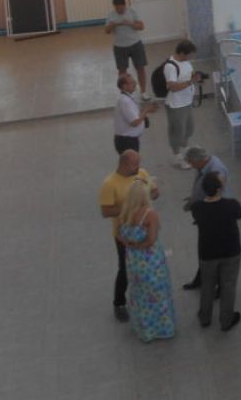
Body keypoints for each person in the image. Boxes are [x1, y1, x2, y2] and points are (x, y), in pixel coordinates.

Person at [98, 149, 159, 322]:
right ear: (124, 164)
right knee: (125, 268)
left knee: (147, 268)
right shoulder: (110, 184)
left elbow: (155, 192)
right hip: (124, 235)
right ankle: (119, 303)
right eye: (135, 164)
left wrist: (144, 199)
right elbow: (106, 211)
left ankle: (146, 300)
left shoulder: (142, 173)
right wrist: (130, 206)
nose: (138, 167)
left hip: (145, 229)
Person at [116, 178, 177, 342]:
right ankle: (162, 329)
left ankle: (145, 330)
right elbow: (150, 240)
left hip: (133, 261)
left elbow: (118, 235)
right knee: (158, 294)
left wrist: (129, 244)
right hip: (151, 262)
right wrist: (138, 245)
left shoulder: (124, 212)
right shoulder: (150, 214)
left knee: (141, 295)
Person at [191, 171, 241, 332]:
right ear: (219, 188)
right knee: (228, 285)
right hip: (230, 251)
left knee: (207, 284)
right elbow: (240, 215)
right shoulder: (232, 205)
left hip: (208, 252)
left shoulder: (197, 208)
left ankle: (205, 317)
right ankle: (226, 320)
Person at [181, 146, 231, 292]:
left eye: (191, 162)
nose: (191, 166)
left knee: (215, 253)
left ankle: (221, 286)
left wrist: (199, 206)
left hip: (215, 219)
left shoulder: (216, 170)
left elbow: (217, 194)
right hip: (205, 216)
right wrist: (193, 199)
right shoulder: (204, 166)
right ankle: (202, 278)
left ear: (198, 160)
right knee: (205, 251)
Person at [163, 39, 202, 169]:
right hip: (176, 105)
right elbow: (173, 87)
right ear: (181, 53)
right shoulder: (170, 67)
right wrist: (191, 82)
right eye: (189, 55)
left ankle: (186, 152)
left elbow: (189, 76)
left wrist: (197, 78)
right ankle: (177, 157)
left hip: (186, 102)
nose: (191, 57)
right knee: (177, 132)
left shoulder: (186, 62)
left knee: (188, 128)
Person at [105, 0, 149, 101]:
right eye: (117, 8)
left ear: (125, 5)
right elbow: (107, 31)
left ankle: (143, 92)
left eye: (121, 8)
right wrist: (112, 25)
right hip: (119, 47)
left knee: (140, 68)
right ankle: (125, 94)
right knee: (122, 71)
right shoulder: (111, 14)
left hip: (135, 44)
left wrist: (130, 23)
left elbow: (141, 26)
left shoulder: (132, 11)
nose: (119, 10)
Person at [112, 72, 155, 154]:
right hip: (127, 141)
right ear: (124, 86)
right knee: (131, 162)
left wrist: (145, 110)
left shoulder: (128, 97)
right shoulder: (125, 101)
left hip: (130, 140)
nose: (135, 84)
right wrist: (146, 111)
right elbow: (134, 122)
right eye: (132, 82)